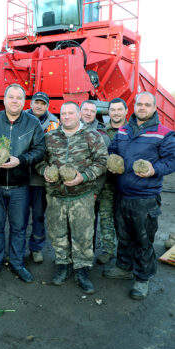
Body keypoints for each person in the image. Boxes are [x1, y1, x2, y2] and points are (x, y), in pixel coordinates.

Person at [104, 91, 175, 299]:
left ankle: (142, 278)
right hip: (122, 193)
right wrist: (112, 161)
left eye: (147, 105)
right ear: (133, 106)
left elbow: (173, 160)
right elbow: (113, 150)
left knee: (143, 240)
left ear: (154, 108)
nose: (142, 108)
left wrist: (154, 169)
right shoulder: (124, 130)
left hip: (145, 197)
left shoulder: (164, 133)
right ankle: (124, 267)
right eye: (139, 104)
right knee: (123, 235)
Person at [37, 101, 108, 294]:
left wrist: (83, 177)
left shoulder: (92, 136)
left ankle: (82, 269)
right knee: (57, 233)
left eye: (70, 113)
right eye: (63, 114)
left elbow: (102, 161)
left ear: (78, 115)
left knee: (83, 236)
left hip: (82, 196)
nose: (66, 117)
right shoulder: (50, 137)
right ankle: (63, 264)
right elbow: (39, 160)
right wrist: (45, 171)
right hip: (56, 195)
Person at [0, 84, 45, 283]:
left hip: (20, 186)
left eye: (19, 98)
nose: (15, 101)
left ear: (24, 101)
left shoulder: (32, 123)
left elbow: (40, 150)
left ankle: (17, 263)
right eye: (11, 97)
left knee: (19, 227)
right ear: (5, 100)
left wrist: (21, 160)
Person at [26, 91, 59, 263]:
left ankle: (36, 248)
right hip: (21, 176)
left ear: (47, 106)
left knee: (38, 215)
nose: (39, 106)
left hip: (40, 179)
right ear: (31, 103)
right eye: (36, 102)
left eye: (43, 103)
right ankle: (16, 248)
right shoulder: (22, 118)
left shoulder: (54, 123)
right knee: (19, 217)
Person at [96, 98, 128, 264]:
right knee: (106, 216)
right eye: (113, 110)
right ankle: (108, 249)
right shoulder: (102, 132)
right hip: (107, 183)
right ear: (109, 112)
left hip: (128, 184)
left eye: (119, 109)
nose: (116, 113)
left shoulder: (132, 131)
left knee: (125, 219)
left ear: (125, 111)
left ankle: (126, 251)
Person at [80, 100, 110, 254]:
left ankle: (86, 257)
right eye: (85, 110)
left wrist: (96, 191)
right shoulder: (68, 129)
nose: (88, 113)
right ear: (80, 111)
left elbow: (103, 166)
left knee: (89, 226)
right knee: (69, 225)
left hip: (91, 190)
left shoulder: (102, 135)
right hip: (70, 190)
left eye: (92, 111)